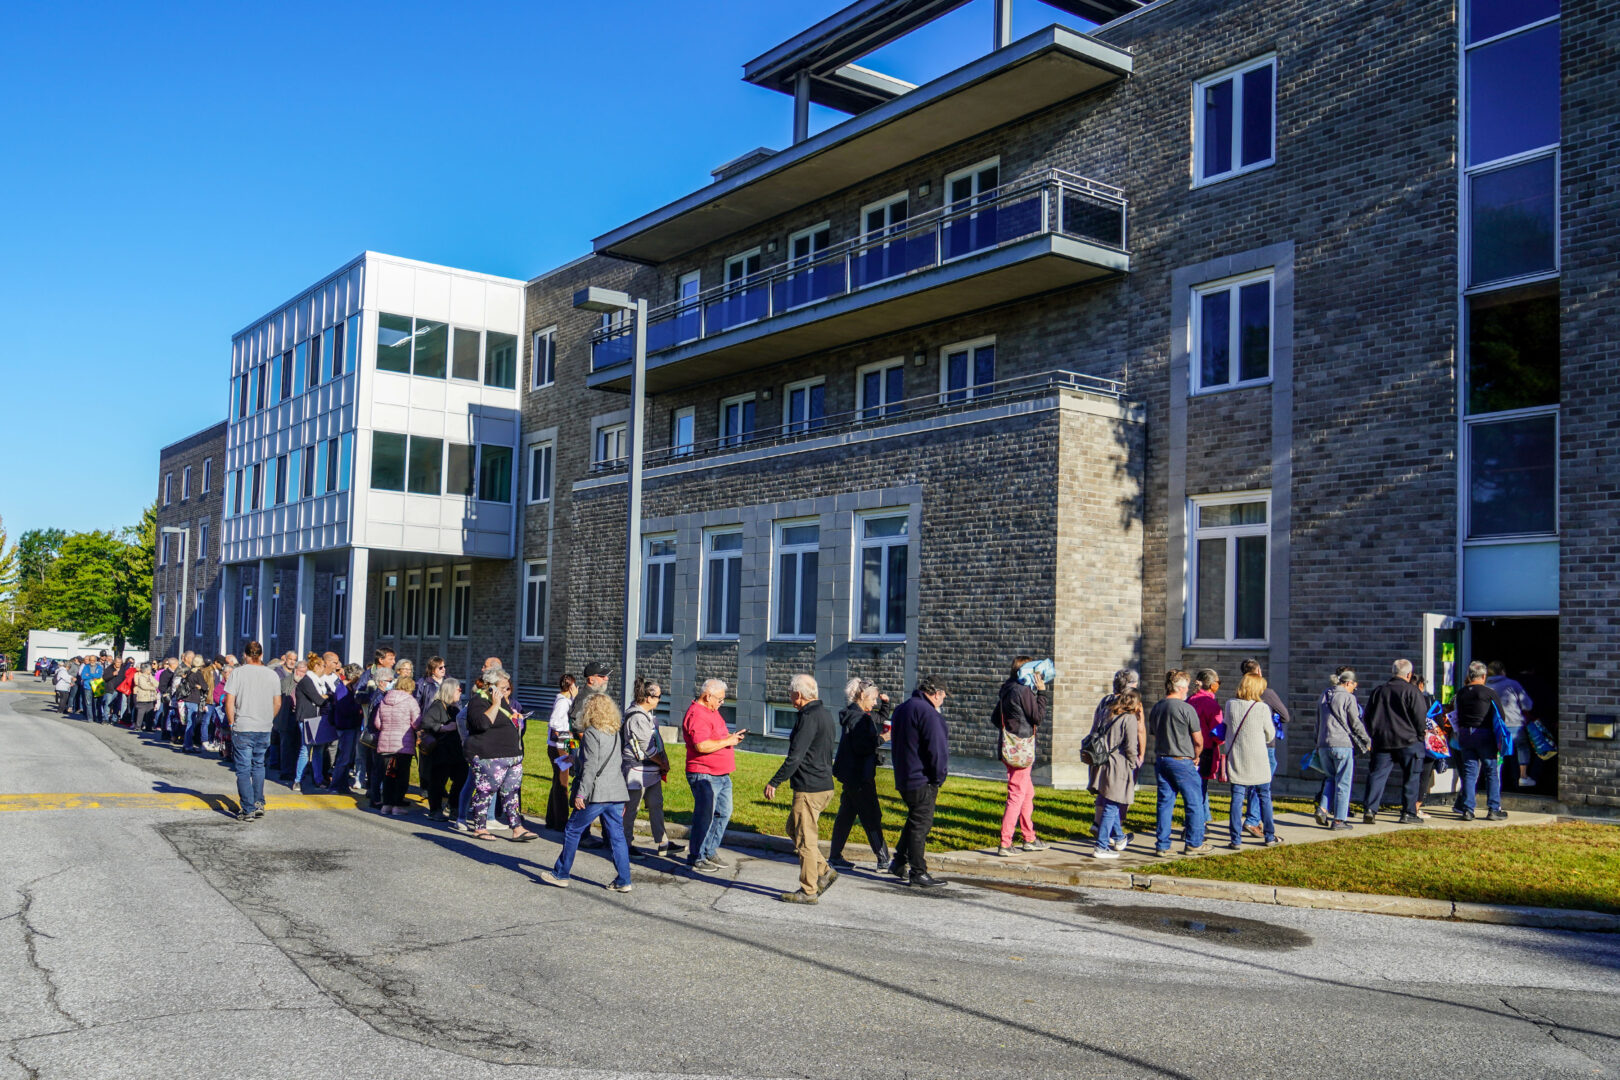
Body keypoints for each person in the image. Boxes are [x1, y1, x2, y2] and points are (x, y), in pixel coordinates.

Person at [541, 692, 634, 892]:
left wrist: (581, 794)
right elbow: (617, 763)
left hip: (596, 793)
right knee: (617, 836)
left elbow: (591, 767)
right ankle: (624, 880)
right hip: (616, 792)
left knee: (573, 830)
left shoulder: (592, 733)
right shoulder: (615, 733)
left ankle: (560, 874)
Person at [766, 674, 840, 904]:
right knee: (793, 829)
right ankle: (824, 870)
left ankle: (808, 891)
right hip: (823, 785)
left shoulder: (808, 717)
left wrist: (775, 781)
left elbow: (795, 756)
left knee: (806, 841)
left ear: (798, 695)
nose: (789, 697)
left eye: (790, 693)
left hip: (810, 788)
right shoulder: (825, 714)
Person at [888, 674, 950, 889]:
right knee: (921, 825)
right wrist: (939, 777)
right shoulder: (930, 714)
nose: (943, 701)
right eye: (943, 696)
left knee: (914, 819)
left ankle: (898, 862)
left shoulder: (902, 708)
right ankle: (918, 871)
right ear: (936, 693)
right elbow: (937, 751)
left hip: (904, 775)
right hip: (923, 777)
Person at [463, 668, 538, 842]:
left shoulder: (504, 701)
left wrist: (515, 718)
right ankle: (480, 827)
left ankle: (517, 828)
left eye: (507, 688)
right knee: (485, 791)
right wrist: (496, 704)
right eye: (502, 688)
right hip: (489, 756)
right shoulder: (478, 701)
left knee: (511, 792)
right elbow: (480, 724)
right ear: (490, 687)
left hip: (512, 756)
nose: (506, 692)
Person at [682, 678, 746, 873]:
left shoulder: (712, 711)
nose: (721, 703)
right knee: (704, 816)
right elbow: (701, 745)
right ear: (707, 695)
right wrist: (728, 741)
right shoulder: (697, 714)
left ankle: (709, 850)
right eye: (719, 699)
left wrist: (730, 739)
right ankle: (696, 856)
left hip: (721, 774)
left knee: (723, 813)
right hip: (704, 774)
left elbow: (714, 738)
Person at [828, 678, 891, 871]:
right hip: (859, 776)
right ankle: (884, 859)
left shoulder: (854, 714)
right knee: (871, 815)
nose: (875, 702)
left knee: (846, 814)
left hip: (850, 773)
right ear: (862, 696)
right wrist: (882, 738)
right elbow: (862, 746)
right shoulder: (860, 718)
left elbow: (857, 745)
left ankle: (835, 856)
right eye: (873, 698)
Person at [1360, 659, 1430, 824]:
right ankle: (1408, 812)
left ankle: (1370, 809)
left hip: (1382, 742)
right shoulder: (1412, 691)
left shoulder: (1379, 691)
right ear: (1409, 674)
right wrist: (1420, 735)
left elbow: (1367, 716)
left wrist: (1374, 734)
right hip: (1409, 741)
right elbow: (1420, 717)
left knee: (1377, 776)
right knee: (1411, 777)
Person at [1150, 670, 1210, 856]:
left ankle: (1162, 844)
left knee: (1165, 803)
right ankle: (1194, 843)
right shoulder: (1186, 708)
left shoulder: (1158, 707)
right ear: (1181, 687)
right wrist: (1196, 755)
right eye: (1187, 686)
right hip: (1182, 760)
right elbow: (1198, 740)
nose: (1187, 690)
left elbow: (1154, 733)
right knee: (1193, 803)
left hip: (1162, 759)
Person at [622, 678, 682, 859]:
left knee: (656, 805)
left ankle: (663, 843)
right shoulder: (637, 717)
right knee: (631, 808)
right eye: (658, 696)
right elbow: (646, 749)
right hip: (637, 771)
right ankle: (625, 844)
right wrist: (662, 762)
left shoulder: (646, 715)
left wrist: (663, 761)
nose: (660, 700)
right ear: (648, 697)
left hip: (651, 772)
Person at [994, 656, 1047, 858]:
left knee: (1027, 793)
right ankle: (1005, 843)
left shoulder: (1007, 688)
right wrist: (1041, 692)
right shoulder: (1023, 690)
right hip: (1021, 750)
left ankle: (1029, 837)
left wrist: (1012, 725)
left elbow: (994, 718)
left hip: (1008, 747)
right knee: (1016, 795)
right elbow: (1038, 717)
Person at [224, 642, 283, 821]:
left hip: (243, 725)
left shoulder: (238, 673)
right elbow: (278, 702)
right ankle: (258, 802)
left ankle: (248, 808)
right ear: (261, 655)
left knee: (243, 768)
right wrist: (268, 718)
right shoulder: (272, 675)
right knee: (259, 766)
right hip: (263, 726)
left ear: (245, 655)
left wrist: (231, 721)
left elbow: (229, 701)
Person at [1222, 671, 1280, 849]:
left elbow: (1226, 727)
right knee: (1264, 797)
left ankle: (1235, 839)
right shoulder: (1261, 708)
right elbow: (1270, 734)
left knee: (1237, 798)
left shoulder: (1230, 704)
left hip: (1237, 758)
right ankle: (1269, 836)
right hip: (1259, 760)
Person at [1454, 661, 1511, 821]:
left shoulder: (1461, 693)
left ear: (1469, 675)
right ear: (1484, 676)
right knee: (1491, 772)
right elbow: (1501, 716)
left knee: (1470, 773)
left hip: (1465, 735)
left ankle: (1468, 810)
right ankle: (1493, 809)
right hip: (1484, 735)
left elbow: (1457, 715)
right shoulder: (1489, 693)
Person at [1239, 658, 1290, 836]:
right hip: (1266, 744)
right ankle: (1253, 820)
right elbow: (1285, 716)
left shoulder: (1240, 694)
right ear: (1258, 672)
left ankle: (1251, 819)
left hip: (1246, 743)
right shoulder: (1266, 693)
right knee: (1262, 784)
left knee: (1251, 782)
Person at [1314, 669, 1369, 830]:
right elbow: (1355, 723)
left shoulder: (1324, 695)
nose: (1354, 690)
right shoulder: (1348, 698)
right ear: (1348, 683)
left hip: (1323, 743)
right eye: (1354, 686)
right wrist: (1366, 739)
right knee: (1343, 782)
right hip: (1342, 744)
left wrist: (1316, 742)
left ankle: (1323, 809)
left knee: (1330, 778)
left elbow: (1317, 721)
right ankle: (1339, 820)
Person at [1089, 688, 1141, 859]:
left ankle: (1119, 838)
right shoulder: (1130, 719)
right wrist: (1134, 764)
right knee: (1112, 805)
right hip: (1118, 764)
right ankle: (1101, 846)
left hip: (1102, 762)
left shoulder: (1108, 713)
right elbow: (1131, 747)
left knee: (1109, 800)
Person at [418, 677, 468, 821]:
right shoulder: (437, 706)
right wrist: (443, 727)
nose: (460, 692)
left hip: (456, 750)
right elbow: (426, 723)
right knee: (438, 782)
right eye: (459, 689)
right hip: (441, 751)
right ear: (450, 690)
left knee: (461, 778)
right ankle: (435, 810)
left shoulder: (454, 707)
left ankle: (453, 806)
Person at [373, 674, 421, 816]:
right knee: (401, 775)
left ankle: (386, 804)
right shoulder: (410, 701)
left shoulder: (384, 700)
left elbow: (377, 723)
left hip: (385, 742)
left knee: (388, 775)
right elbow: (417, 722)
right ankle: (397, 805)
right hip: (403, 744)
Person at [1486, 661, 1536, 790]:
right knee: (1522, 746)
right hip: (1514, 724)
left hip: (1495, 726)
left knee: (1498, 754)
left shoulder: (1485, 686)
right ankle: (1523, 776)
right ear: (1502, 671)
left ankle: (1495, 784)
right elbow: (1528, 705)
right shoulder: (1512, 684)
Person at [293, 655, 333, 793]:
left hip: (318, 719)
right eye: (322, 666)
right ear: (316, 666)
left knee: (318, 750)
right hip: (306, 719)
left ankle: (318, 779)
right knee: (305, 750)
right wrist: (327, 696)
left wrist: (327, 696)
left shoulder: (321, 681)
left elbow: (328, 694)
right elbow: (318, 699)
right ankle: (298, 780)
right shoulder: (307, 681)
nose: (324, 668)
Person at [1187, 669, 1223, 820]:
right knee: (1201, 787)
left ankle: (1205, 816)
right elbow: (1219, 733)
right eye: (1218, 682)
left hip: (1188, 748)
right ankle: (1198, 821)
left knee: (1196, 786)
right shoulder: (1211, 704)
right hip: (1206, 750)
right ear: (1212, 684)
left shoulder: (1189, 700)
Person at [545, 674, 578, 831]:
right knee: (562, 784)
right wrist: (570, 737)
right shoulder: (563, 702)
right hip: (559, 746)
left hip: (562, 745)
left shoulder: (566, 701)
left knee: (558, 782)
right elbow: (555, 726)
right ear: (571, 687)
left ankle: (552, 818)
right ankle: (561, 821)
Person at [329, 664, 364, 793]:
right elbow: (344, 708)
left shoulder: (349, 688)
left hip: (352, 725)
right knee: (343, 757)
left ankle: (343, 784)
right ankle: (336, 785)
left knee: (347, 757)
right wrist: (358, 708)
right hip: (345, 726)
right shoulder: (342, 689)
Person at [569, 661, 611, 732]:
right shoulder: (583, 698)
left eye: (606, 676)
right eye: (602, 676)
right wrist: (590, 742)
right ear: (591, 680)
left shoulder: (598, 695)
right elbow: (577, 727)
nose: (606, 678)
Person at [181, 656, 210, 751]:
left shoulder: (189, 672)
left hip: (187, 698)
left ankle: (186, 744)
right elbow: (205, 687)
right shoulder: (198, 673)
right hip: (194, 699)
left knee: (188, 722)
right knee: (191, 723)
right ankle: (188, 745)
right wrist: (200, 686)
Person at [131, 661, 159, 732]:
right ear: (146, 670)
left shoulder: (150, 677)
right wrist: (152, 687)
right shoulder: (141, 677)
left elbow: (157, 684)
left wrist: (152, 683)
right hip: (143, 698)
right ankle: (138, 726)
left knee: (150, 713)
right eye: (149, 669)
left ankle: (148, 727)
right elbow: (144, 686)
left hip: (151, 698)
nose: (150, 671)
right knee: (141, 713)